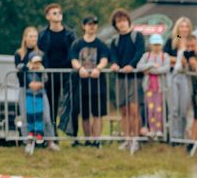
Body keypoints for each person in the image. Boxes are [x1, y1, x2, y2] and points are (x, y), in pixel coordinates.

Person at [13, 26, 59, 151]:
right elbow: (19, 72)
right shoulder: (19, 54)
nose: (33, 39)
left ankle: (50, 142)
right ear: (25, 38)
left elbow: (46, 72)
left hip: (40, 90)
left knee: (46, 116)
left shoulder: (41, 54)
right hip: (25, 89)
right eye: (31, 36)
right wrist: (29, 84)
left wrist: (42, 84)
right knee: (25, 116)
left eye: (35, 36)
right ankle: (27, 142)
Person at [68, 15, 111, 145]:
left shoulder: (101, 44)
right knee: (85, 114)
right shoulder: (77, 44)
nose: (92, 26)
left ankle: (96, 140)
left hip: (98, 84)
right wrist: (80, 68)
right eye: (89, 24)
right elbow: (73, 59)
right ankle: (87, 139)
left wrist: (98, 68)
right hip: (82, 84)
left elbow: (104, 59)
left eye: (94, 24)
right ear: (84, 26)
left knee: (97, 114)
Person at [109, 9, 145, 153]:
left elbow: (140, 52)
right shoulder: (115, 40)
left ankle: (136, 139)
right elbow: (113, 56)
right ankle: (126, 139)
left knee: (134, 110)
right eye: (118, 22)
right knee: (124, 110)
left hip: (135, 77)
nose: (122, 24)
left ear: (128, 21)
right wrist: (114, 64)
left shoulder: (137, 36)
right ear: (115, 25)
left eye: (123, 20)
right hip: (120, 78)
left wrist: (131, 65)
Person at [37, 3, 76, 137]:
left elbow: (74, 52)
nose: (58, 15)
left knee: (70, 105)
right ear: (48, 17)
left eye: (59, 13)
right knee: (51, 105)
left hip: (67, 74)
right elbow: (39, 53)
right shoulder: (43, 35)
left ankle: (73, 134)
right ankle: (52, 135)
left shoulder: (69, 34)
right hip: (49, 74)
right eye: (54, 13)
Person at [137, 33, 171, 140]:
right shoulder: (146, 56)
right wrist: (151, 65)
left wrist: (151, 70)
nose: (156, 47)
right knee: (150, 109)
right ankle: (152, 129)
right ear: (151, 45)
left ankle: (159, 129)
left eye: (158, 44)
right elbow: (139, 66)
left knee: (159, 109)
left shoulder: (165, 56)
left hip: (160, 88)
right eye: (154, 44)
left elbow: (166, 68)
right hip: (149, 87)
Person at [166, 17, 194, 143]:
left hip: (186, 76)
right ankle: (174, 136)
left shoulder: (191, 43)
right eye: (181, 26)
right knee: (174, 108)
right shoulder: (173, 40)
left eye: (186, 26)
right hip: (173, 76)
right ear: (178, 28)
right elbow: (165, 57)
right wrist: (178, 60)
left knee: (184, 108)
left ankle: (182, 135)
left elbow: (193, 59)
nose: (184, 29)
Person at [22, 53, 48, 154]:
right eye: (35, 62)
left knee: (38, 113)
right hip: (29, 94)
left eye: (38, 62)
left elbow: (45, 80)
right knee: (30, 113)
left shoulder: (41, 71)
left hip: (39, 95)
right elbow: (24, 78)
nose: (36, 65)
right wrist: (30, 83)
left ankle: (39, 132)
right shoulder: (27, 70)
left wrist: (40, 83)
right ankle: (31, 131)